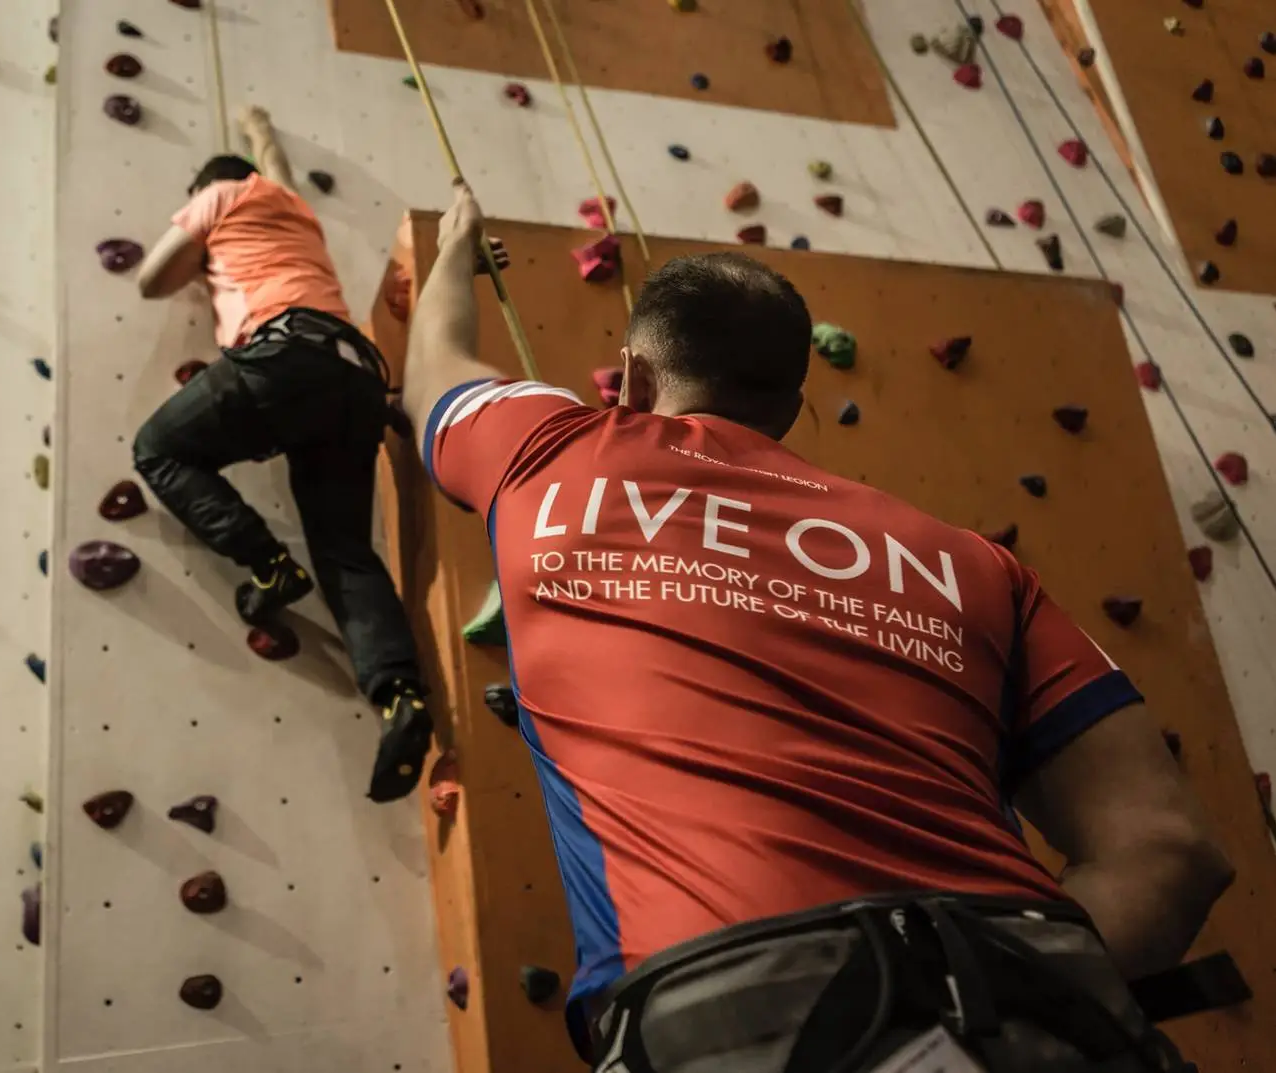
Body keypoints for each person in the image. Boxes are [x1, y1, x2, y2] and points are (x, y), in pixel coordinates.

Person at [401, 181, 1235, 1072]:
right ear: (795, 414)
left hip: (731, 1008)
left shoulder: (549, 452)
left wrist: (457, 243)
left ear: (634, 380)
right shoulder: (977, 565)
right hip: (1029, 1003)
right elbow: (1171, 851)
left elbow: (436, 367)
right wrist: (987, 993)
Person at [130, 106, 433, 804]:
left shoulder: (217, 199)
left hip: (284, 354)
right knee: (345, 551)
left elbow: (151, 280)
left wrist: (201, 240)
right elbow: (279, 166)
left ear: (207, 189)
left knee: (159, 448)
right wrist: (258, 126)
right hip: (357, 374)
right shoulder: (291, 205)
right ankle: (400, 698)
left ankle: (267, 562)